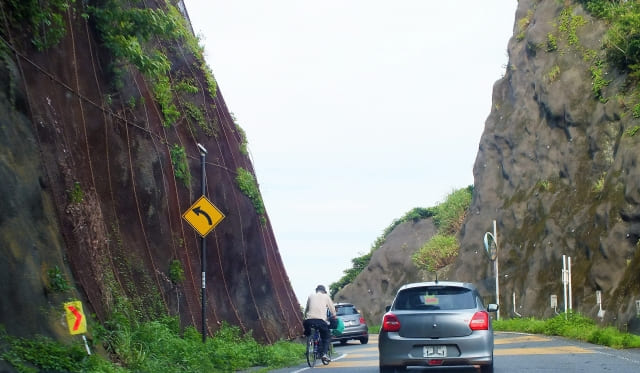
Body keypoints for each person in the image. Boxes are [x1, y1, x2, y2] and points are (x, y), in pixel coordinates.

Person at [303, 284, 336, 363]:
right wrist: (334, 316)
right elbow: (332, 308)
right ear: (324, 291)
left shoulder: (311, 296)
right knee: (326, 337)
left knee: (308, 332)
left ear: (316, 291)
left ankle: (309, 341)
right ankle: (324, 354)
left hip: (308, 321)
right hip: (321, 321)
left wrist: (305, 316)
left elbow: (307, 309)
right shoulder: (326, 296)